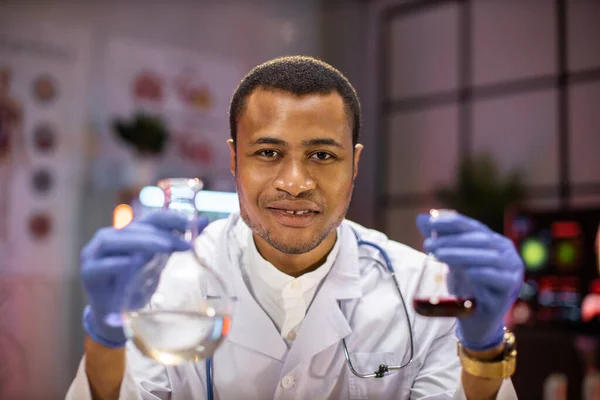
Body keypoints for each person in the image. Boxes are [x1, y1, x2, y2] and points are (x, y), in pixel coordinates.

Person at [67, 56, 524, 399]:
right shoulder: (166, 282)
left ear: (355, 164)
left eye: (322, 156)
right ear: (233, 160)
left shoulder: (423, 288)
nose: (294, 183)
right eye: (268, 153)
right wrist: (106, 330)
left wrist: (483, 347)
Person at [0, 67, 25, 265]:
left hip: (5, 156)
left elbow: (19, 134)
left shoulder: (12, 107)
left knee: (5, 196)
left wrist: (24, 155)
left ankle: (5, 233)